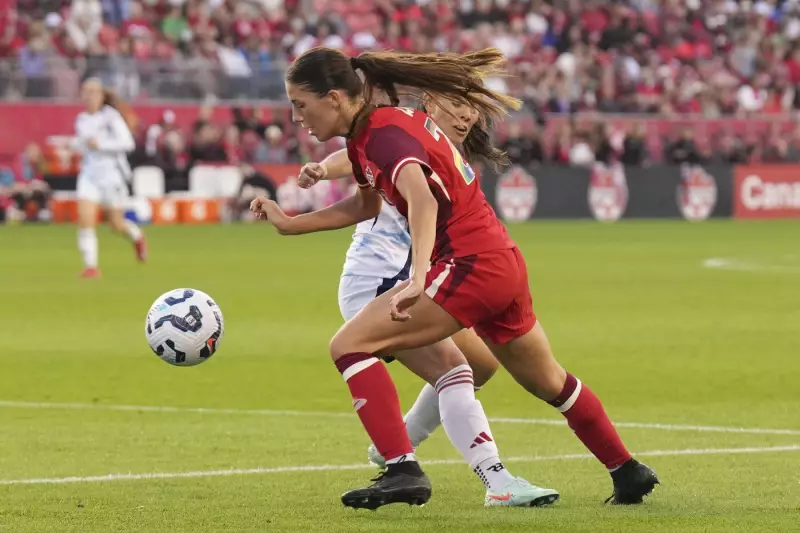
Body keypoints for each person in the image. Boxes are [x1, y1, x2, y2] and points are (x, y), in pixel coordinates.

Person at [252, 47, 658, 509]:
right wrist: (291, 223)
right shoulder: (372, 132)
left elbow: (421, 200)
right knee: (550, 382)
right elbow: (364, 206)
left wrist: (419, 275)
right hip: (501, 260)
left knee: (348, 345)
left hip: (467, 265)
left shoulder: (381, 135)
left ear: (333, 97)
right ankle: (626, 469)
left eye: (300, 104)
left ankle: (401, 469)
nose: (297, 116)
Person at [258, 92, 560, 509]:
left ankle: (396, 445)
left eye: (471, 110)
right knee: (454, 370)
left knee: (480, 364)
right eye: (459, 105)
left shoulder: (420, 141)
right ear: (431, 104)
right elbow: (361, 163)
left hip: (413, 275)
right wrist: (324, 170)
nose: (467, 116)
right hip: (382, 278)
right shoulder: (395, 134)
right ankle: (492, 478)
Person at [74, 78, 146, 278]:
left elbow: (127, 143)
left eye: (92, 92)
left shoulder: (111, 117)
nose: (88, 96)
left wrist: (102, 144)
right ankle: (91, 267)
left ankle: (137, 237)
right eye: (85, 92)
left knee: (116, 224)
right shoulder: (81, 119)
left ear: (101, 95)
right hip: (89, 175)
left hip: (112, 176)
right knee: (85, 219)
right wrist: (74, 145)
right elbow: (83, 145)